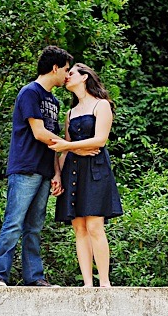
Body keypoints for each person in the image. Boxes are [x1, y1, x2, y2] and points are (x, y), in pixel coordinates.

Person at [0, 46, 80, 287]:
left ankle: (34, 278)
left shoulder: (53, 101)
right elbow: (40, 133)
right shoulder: (30, 92)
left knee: (35, 227)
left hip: (44, 170)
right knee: (14, 222)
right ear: (54, 68)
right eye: (66, 70)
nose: (67, 75)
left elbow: (54, 145)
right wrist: (76, 147)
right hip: (25, 168)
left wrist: (57, 173)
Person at [50, 63, 123, 287]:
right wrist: (57, 175)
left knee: (94, 226)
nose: (67, 77)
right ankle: (87, 284)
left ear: (84, 77)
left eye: (71, 73)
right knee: (79, 227)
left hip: (96, 168)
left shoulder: (102, 105)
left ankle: (105, 283)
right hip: (73, 169)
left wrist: (69, 147)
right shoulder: (69, 113)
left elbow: (100, 140)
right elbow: (67, 147)